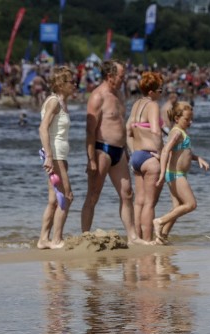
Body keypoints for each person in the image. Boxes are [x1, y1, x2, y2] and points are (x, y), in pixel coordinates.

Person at [82, 60, 143, 244]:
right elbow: (90, 131)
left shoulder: (119, 94)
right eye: (121, 77)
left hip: (119, 151)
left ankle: (132, 236)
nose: (124, 80)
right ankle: (85, 235)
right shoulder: (97, 97)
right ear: (110, 76)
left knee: (127, 194)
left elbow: (120, 125)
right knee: (93, 195)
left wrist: (126, 148)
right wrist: (91, 159)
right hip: (102, 150)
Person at [153, 102, 210, 243]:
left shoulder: (182, 132)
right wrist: (161, 174)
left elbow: (184, 152)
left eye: (191, 119)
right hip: (175, 174)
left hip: (179, 174)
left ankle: (162, 237)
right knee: (191, 204)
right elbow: (166, 150)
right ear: (177, 118)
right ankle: (160, 221)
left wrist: (198, 158)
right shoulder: (177, 132)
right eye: (186, 119)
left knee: (177, 208)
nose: (190, 122)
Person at [37, 66, 76, 250]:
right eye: (71, 82)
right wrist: (49, 157)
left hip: (61, 156)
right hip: (56, 156)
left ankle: (43, 239)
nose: (74, 85)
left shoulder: (61, 101)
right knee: (67, 196)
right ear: (60, 84)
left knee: (54, 200)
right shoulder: (54, 102)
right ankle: (57, 239)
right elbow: (43, 128)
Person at [126, 71, 165, 243]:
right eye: (160, 90)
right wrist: (161, 153)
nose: (161, 93)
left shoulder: (136, 104)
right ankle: (148, 240)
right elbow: (156, 131)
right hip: (150, 157)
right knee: (149, 203)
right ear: (151, 92)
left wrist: (132, 150)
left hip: (136, 156)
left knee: (139, 202)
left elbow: (127, 130)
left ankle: (137, 237)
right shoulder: (153, 106)